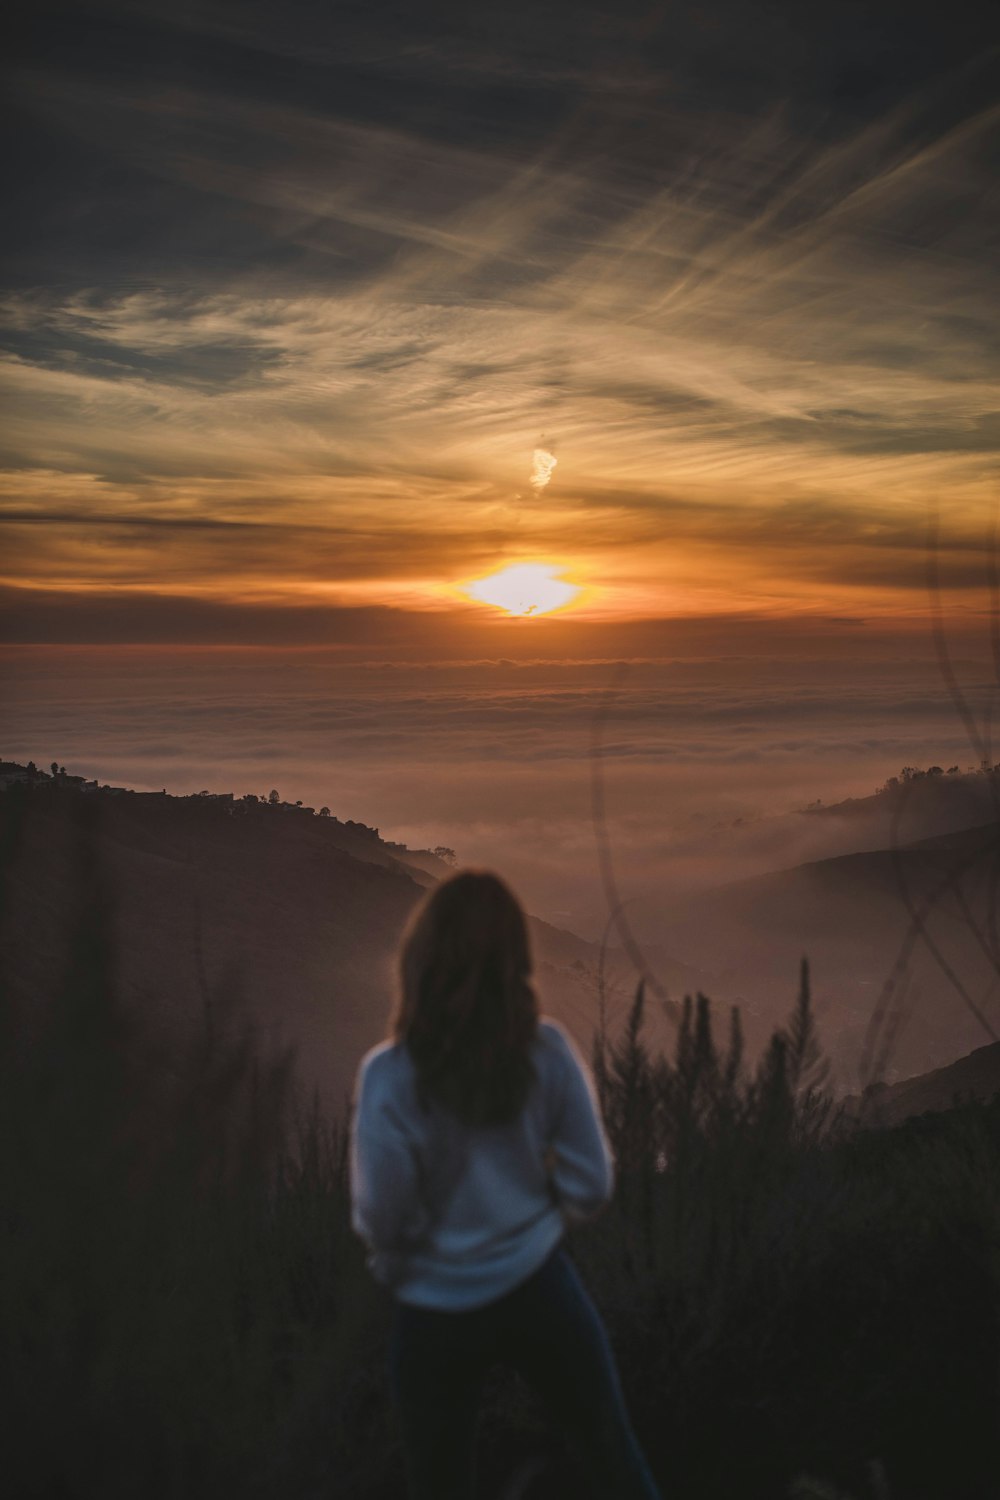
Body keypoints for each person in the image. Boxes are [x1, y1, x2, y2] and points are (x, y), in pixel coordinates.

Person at [349, 869, 663, 1500]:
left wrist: (406, 1259)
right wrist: (535, 1217)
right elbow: (592, 1183)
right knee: (613, 1460)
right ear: (514, 959)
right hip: (539, 1286)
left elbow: (381, 1216)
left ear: (421, 956)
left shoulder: (390, 1073)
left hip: (432, 1312)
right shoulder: (545, 1051)